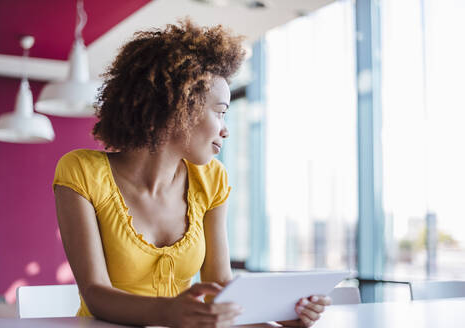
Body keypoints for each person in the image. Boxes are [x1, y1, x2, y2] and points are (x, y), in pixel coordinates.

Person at [53, 19, 330, 328]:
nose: (225, 130)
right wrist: (168, 313)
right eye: (221, 112)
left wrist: (281, 318)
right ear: (179, 106)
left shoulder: (212, 179)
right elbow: (95, 294)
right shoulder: (82, 172)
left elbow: (219, 288)